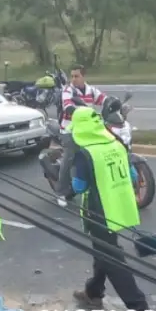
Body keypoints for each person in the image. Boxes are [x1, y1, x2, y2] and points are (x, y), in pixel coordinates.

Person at [66, 107, 150, 311]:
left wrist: (72, 179)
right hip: (120, 206)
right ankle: (93, 292)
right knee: (102, 250)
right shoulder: (116, 144)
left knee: (112, 258)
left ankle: (139, 309)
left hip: (99, 210)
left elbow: (79, 186)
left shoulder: (84, 154)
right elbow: (132, 175)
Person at [55, 64, 108, 206]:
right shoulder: (68, 90)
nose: (73, 79)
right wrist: (79, 111)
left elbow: (104, 99)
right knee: (69, 158)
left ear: (83, 76)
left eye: (76, 76)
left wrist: (114, 105)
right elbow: (68, 106)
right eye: (71, 76)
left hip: (87, 130)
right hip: (69, 130)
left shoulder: (91, 90)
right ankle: (60, 192)